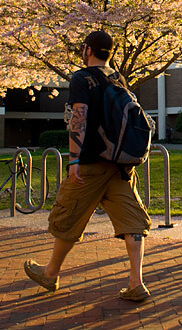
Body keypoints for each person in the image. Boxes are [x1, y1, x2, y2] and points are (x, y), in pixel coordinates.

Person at [23, 31, 152, 301]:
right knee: (133, 223)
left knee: (69, 216)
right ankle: (136, 282)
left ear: (88, 49)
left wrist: (73, 160)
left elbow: (78, 118)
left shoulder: (82, 78)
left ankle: (50, 273)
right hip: (120, 168)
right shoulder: (118, 78)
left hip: (91, 163)